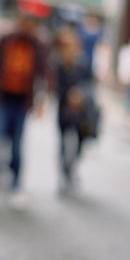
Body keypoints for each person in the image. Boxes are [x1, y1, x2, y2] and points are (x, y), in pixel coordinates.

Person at [0, 11, 50, 212]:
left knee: (17, 146)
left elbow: (44, 73)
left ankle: (15, 186)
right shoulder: (6, 41)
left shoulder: (38, 46)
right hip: (1, 100)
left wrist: (41, 101)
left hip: (22, 103)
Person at [52, 26, 98, 195]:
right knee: (64, 144)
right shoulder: (58, 65)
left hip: (82, 113)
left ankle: (72, 169)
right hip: (64, 112)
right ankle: (64, 173)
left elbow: (90, 84)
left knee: (80, 143)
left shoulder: (83, 63)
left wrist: (79, 95)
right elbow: (55, 88)